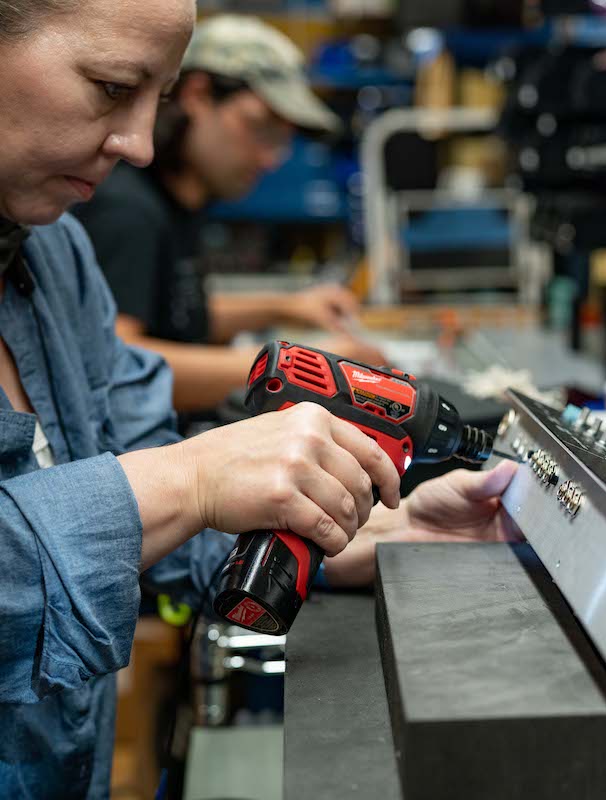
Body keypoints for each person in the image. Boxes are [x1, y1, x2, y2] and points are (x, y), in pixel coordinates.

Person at [0, 2, 518, 797]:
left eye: (156, 98)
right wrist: (193, 479)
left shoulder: (55, 251)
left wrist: (359, 531)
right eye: (111, 87)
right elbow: (164, 487)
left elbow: (146, 492)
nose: (140, 145)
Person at [74, 14, 386, 415]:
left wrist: (286, 306)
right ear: (198, 95)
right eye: (260, 127)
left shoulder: (178, 202)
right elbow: (116, 366)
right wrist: (306, 369)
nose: (271, 158)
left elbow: (177, 313)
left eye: (283, 139)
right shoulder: (127, 210)